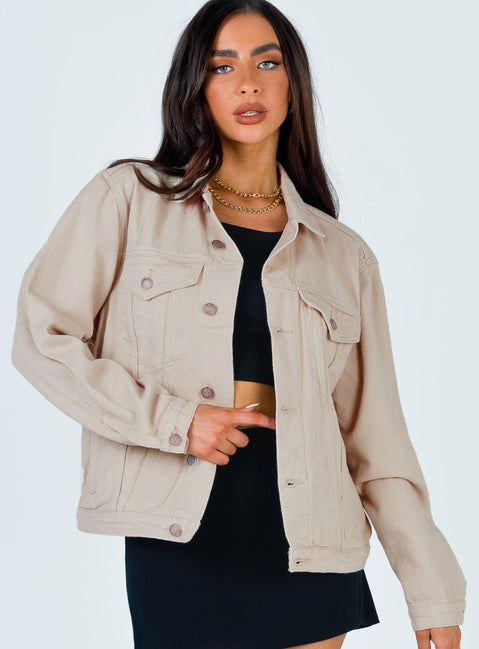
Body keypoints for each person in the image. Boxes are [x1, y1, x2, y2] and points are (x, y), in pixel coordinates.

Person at [11, 1, 467, 648]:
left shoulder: (343, 255)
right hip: (181, 535)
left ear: (292, 85)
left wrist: (432, 592)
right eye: (222, 66)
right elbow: (41, 340)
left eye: (267, 63)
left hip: (311, 546)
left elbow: (376, 438)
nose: (247, 83)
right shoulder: (129, 199)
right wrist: (176, 421)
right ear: (195, 86)